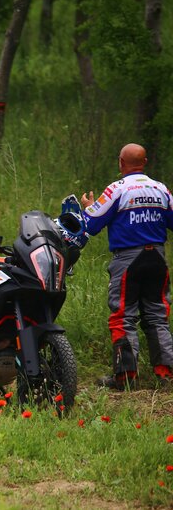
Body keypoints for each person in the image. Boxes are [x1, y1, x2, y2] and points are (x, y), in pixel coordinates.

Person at [81, 143, 173, 390]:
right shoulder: (161, 189)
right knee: (157, 316)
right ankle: (166, 375)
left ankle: (126, 378)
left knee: (123, 316)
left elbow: (90, 224)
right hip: (157, 258)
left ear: (121, 163)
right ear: (145, 163)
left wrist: (88, 205)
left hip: (128, 260)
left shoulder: (116, 190)